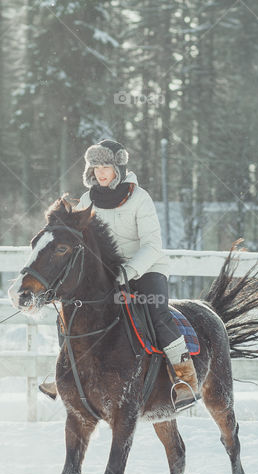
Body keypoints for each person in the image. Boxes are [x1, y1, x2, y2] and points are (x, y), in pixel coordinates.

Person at [38, 139, 199, 411]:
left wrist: (128, 271)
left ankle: (185, 378)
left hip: (147, 268)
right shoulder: (88, 200)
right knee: (70, 312)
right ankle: (65, 375)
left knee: (157, 313)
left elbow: (152, 245)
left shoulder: (139, 198)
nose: (100, 172)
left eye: (106, 167)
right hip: (106, 274)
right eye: (96, 166)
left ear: (118, 169)